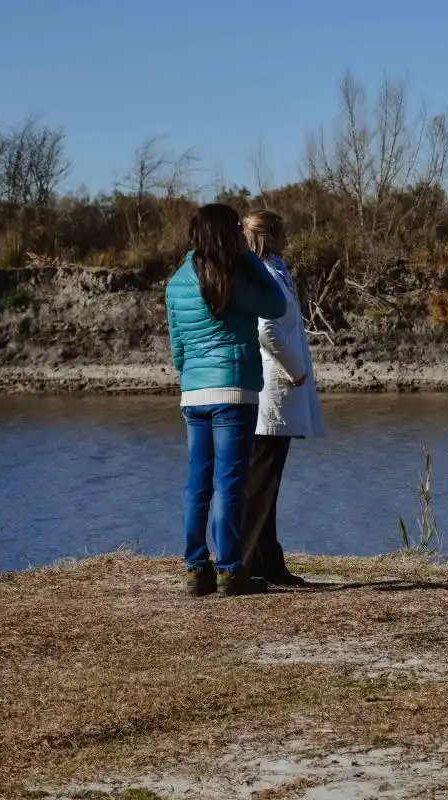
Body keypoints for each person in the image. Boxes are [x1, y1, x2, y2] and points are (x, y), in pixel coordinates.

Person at [166, 203, 287, 597]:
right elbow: (276, 303)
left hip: (194, 392)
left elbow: (178, 348)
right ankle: (232, 571)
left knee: (196, 483)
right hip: (234, 389)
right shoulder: (235, 276)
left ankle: (195, 568)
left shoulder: (176, 282)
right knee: (230, 482)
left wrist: (191, 378)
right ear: (227, 233)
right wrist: (251, 258)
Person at [239, 209, 325, 586]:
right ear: (271, 235)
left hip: (282, 384)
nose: (288, 237)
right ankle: (244, 564)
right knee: (261, 479)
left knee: (267, 479)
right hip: (274, 385)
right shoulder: (262, 274)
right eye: (284, 231)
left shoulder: (275, 269)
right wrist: (296, 370)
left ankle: (268, 561)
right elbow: (267, 331)